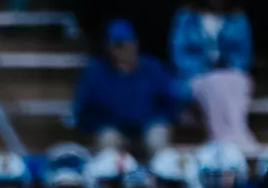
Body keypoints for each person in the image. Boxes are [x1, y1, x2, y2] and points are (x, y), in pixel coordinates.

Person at [71, 20, 184, 154]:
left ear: (135, 44)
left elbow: (170, 103)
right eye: (117, 45)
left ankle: (160, 174)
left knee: (157, 137)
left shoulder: (153, 68)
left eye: (126, 43)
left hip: (147, 127)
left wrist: (160, 120)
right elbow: (85, 111)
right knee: (108, 140)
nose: (122, 49)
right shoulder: (95, 73)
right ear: (108, 47)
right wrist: (99, 126)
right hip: (113, 130)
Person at [169, 0, 255, 148]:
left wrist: (228, 65)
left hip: (230, 72)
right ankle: (222, 138)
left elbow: (244, 53)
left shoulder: (237, 19)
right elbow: (179, 52)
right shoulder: (187, 19)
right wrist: (202, 68)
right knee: (214, 84)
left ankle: (238, 134)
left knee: (236, 82)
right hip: (196, 74)